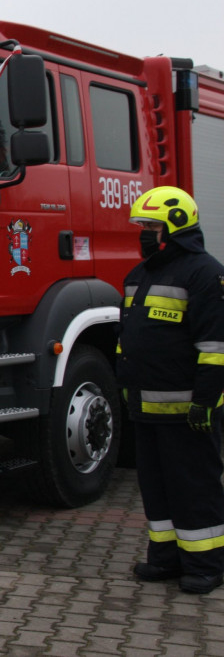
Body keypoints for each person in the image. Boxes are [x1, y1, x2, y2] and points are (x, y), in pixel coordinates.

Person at [117, 186, 224, 595]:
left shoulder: (204, 273)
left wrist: (205, 402)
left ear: (175, 226)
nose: (143, 233)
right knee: (157, 489)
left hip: (188, 412)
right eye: (141, 225)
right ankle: (166, 558)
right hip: (146, 408)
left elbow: (215, 349)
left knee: (194, 488)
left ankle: (207, 565)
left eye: (150, 225)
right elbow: (128, 340)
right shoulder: (138, 276)